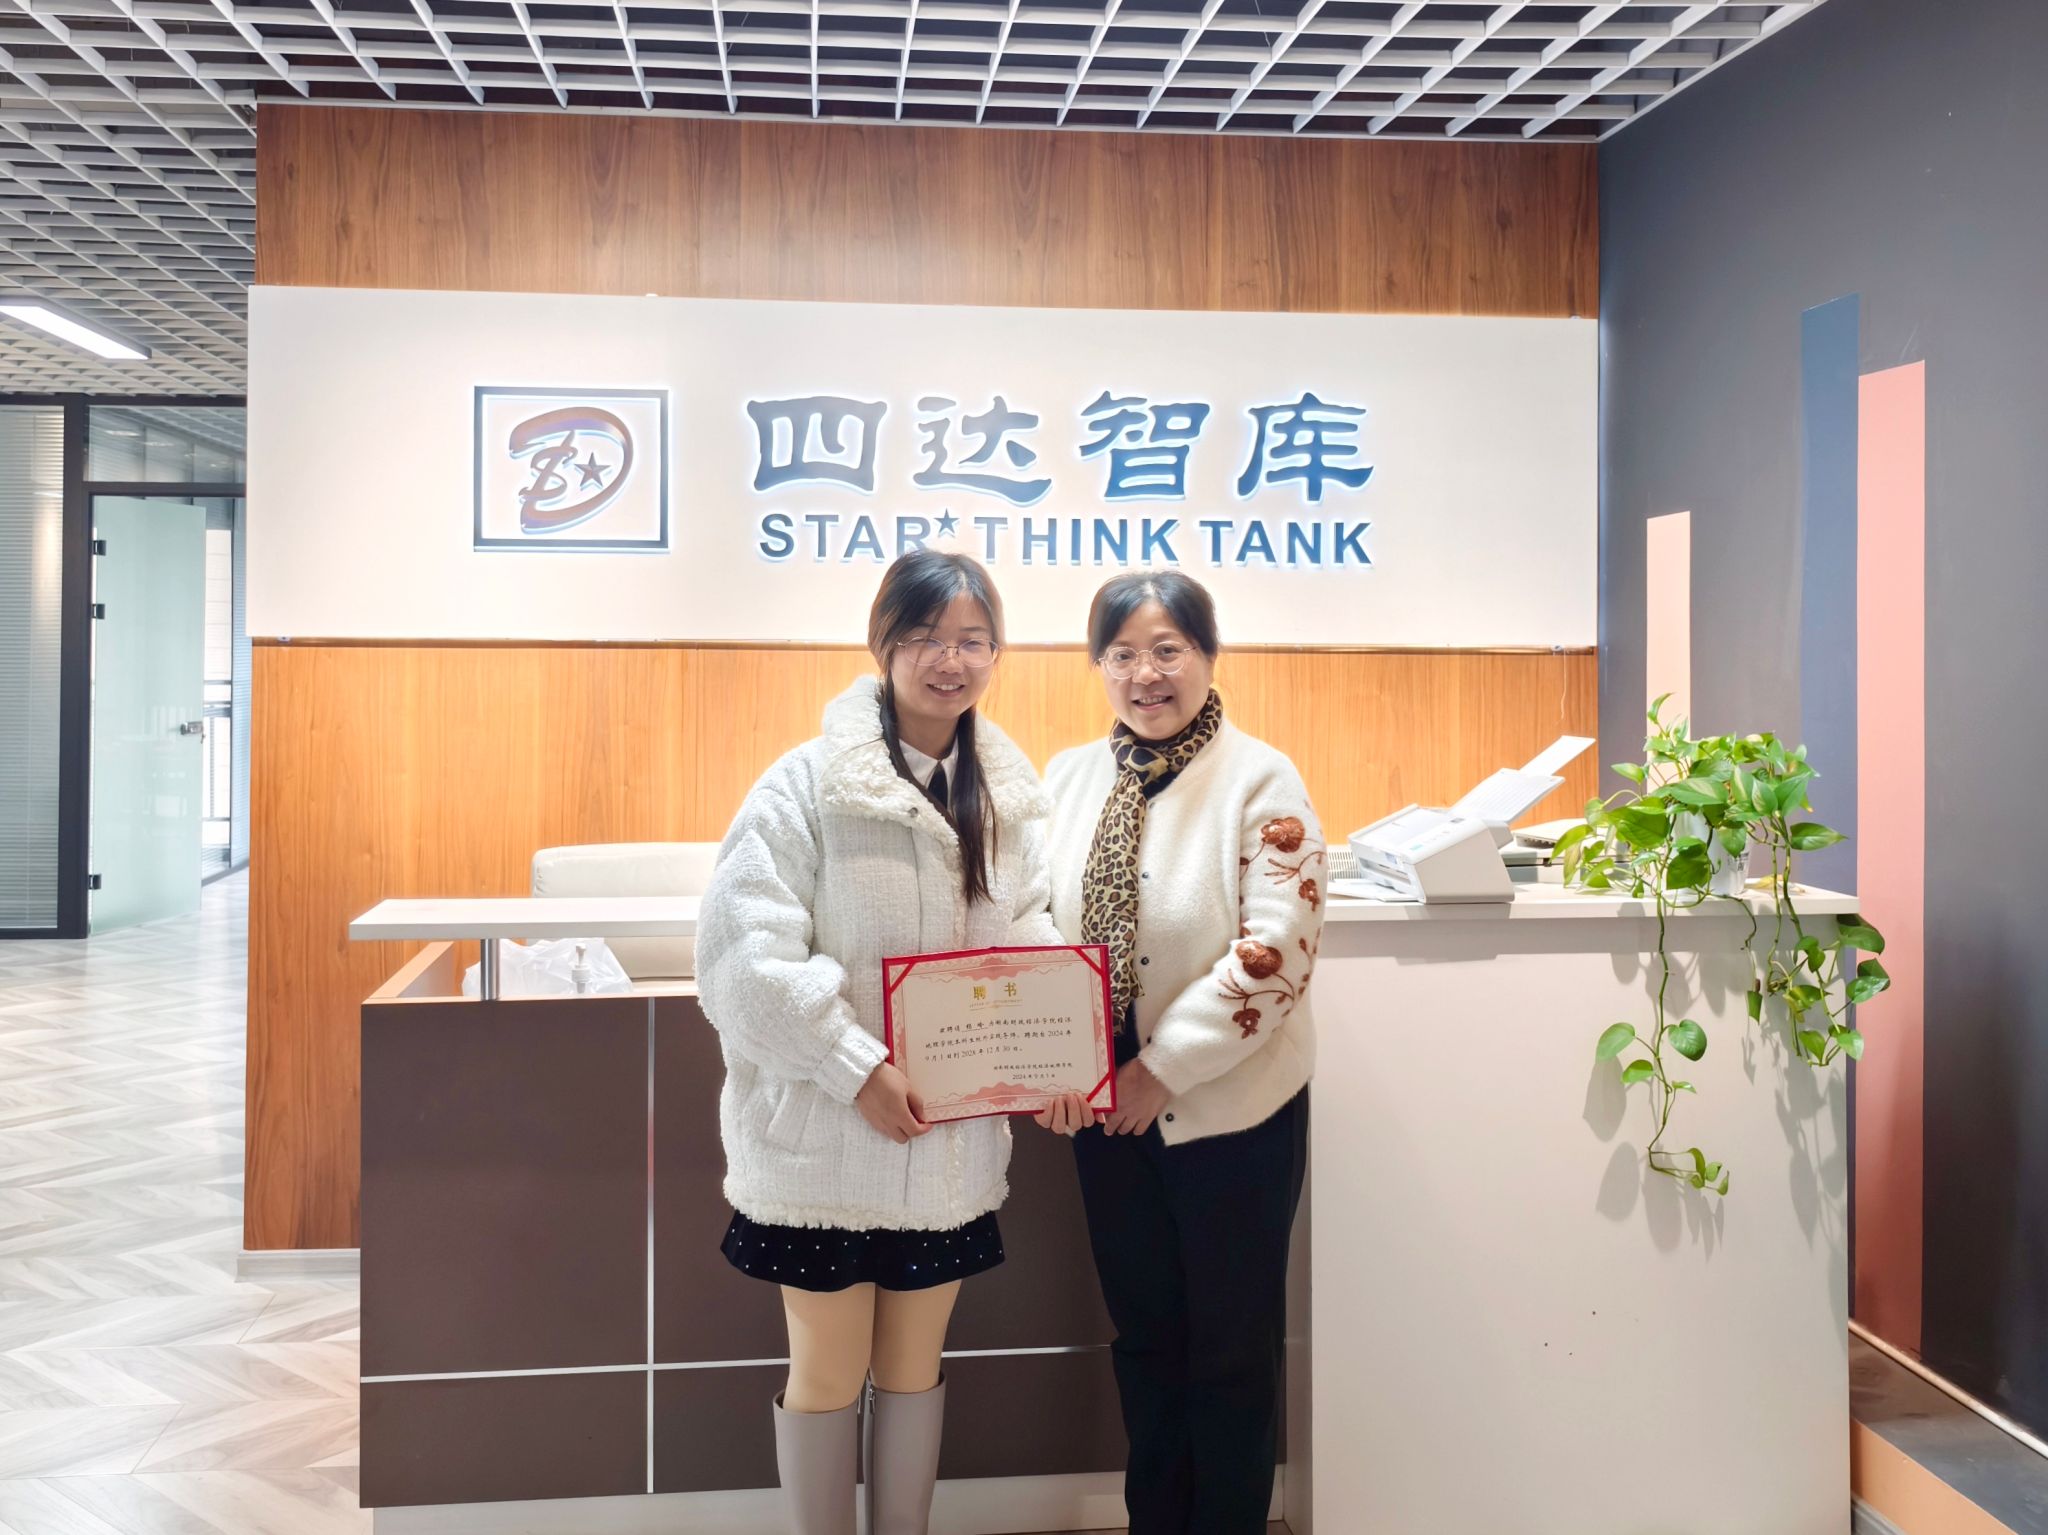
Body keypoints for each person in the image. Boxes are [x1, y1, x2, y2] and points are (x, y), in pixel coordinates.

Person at [695, 549, 1061, 1535]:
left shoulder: (1008, 797)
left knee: (913, 1368)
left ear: (997, 654)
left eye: (973, 640)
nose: (950, 659)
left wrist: (1058, 1052)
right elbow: (741, 962)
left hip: (945, 1148)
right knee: (826, 1370)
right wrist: (854, 1066)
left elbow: (1029, 933)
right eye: (926, 636)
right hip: (825, 1144)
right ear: (882, 643)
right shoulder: (804, 785)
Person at [1037, 571, 1324, 1535]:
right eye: (1121, 654)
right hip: (1103, 1109)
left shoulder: (1262, 779)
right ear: (1098, 665)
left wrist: (1156, 1070)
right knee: (1147, 1339)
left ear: (1207, 654)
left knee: (1232, 1351)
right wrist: (1059, 1065)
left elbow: (1277, 952)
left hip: (1228, 1107)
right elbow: (1030, 920)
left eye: (1167, 650)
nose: (1145, 674)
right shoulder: (1068, 778)